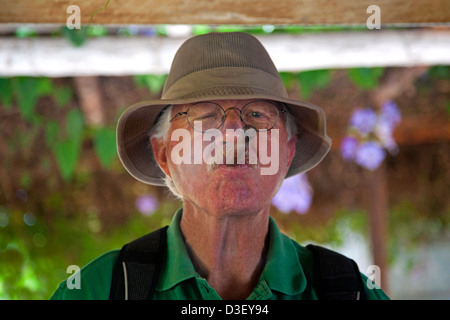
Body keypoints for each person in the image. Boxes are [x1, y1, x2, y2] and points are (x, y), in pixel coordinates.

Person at [51, 32, 389, 300]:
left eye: (257, 114)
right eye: (204, 116)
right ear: (166, 155)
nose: (233, 132)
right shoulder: (99, 291)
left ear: (286, 153)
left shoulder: (349, 292)